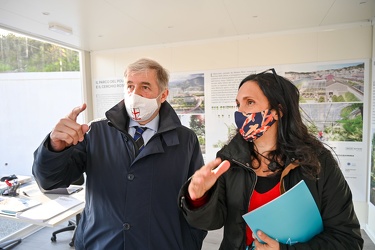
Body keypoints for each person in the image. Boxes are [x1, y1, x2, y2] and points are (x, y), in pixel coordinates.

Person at [178, 68, 364, 250]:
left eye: (249, 102)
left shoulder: (318, 162)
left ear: (278, 111)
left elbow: (348, 239)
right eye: (238, 104)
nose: (240, 112)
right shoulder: (229, 160)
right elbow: (212, 221)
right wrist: (198, 198)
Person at [32, 58, 207, 249]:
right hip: (101, 244)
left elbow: (197, 201)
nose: (135, 94)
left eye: (145, 87)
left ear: (163, 94)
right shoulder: (95, 132)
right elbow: (50, 181)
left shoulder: (186, 140)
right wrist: (55, 148)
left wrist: (189, 242)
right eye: (130, 86)